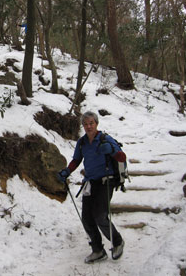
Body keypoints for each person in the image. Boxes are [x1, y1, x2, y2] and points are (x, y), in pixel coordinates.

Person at [57, 111, 126, 264]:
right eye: (86, 124)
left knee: (100, 215)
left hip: (106, 181)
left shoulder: (105, 139)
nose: (89, 126)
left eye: (91, 123)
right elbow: (76, 160)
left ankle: (117, 242)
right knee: (87, 218)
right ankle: (98, 250)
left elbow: (122, 157)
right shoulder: (82, 143)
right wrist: (67, 171)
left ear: (96, 124)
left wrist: (112, 150)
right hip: (90, 182)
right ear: (83, 126)